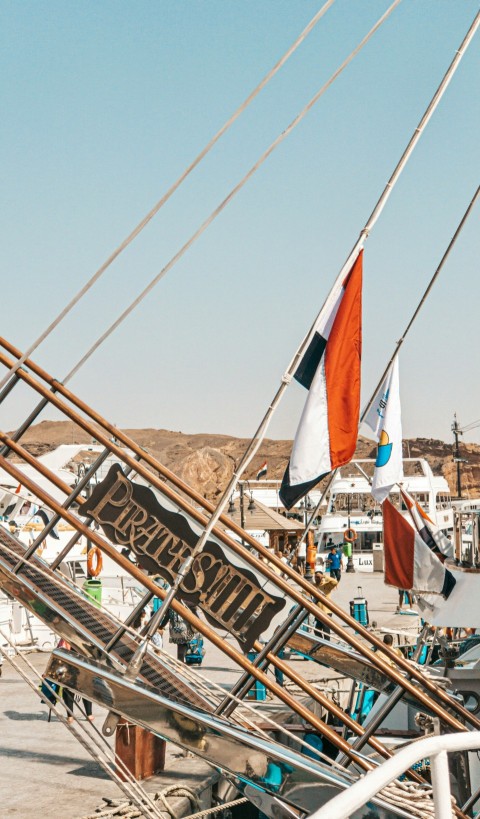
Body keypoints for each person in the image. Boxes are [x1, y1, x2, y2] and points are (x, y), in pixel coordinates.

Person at [57, 639, 94, 723]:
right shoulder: (84, 636)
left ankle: (70, 716)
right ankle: (89, 714)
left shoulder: (66, 636)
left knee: (68, 690)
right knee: (86, 688)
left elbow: (61, 651)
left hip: (71, 663)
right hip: (84, 663)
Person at [313, 570, 338, 641]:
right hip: (318, 612)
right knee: (316, 630)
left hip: (326, 611)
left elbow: (335, 582)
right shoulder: (314, 586)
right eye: (315, 577)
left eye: (318, 577)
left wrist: (324, 576)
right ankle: (321, 644)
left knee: (326, 630)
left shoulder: (326, 585)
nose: (316, 579)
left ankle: (327, 644)